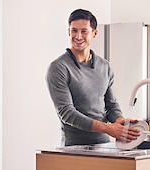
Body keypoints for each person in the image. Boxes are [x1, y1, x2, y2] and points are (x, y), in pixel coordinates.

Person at [46, 9, 139, 146]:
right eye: (74, 30)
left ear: (94, 33)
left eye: (84, 31)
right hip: (74, 148)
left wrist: (119, 121)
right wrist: (109, 128)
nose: (78, 36)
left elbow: (111, 104)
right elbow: (67, 113)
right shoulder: (58, 67)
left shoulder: (105, 66)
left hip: (104, 145)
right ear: (68, 32)